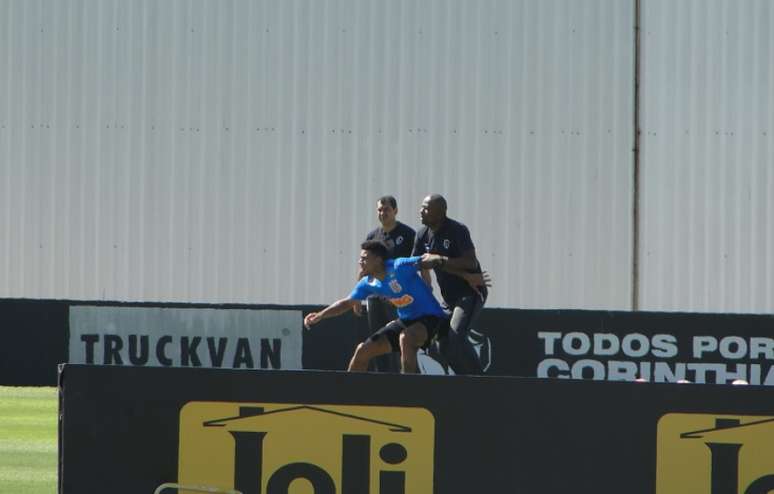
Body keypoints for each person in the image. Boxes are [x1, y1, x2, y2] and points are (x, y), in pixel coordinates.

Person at [305, 240, 453, 373]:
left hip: (432, 319)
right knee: (363, 350)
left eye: (364, 258)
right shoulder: (368, 283)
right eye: (360, 258)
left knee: (405, 338)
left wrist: (441, 260)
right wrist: (320, 315)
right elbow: (347, 303)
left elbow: (424, 260)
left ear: (377, 260)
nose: (360, 262)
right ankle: (347, 397)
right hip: (406, 320)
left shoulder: (398, 267)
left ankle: (408, 393)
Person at [412, 194, 488, 375]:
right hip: (448, 299)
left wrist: (440, 259)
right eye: (421, 207)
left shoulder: (457, 230)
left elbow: (471, 263)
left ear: (441, 212)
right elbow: (416, 263)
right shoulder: (422, 234)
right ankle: (464, 380)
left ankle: (483, 383)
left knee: (456, 335)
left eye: (426, 208)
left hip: (470, 291)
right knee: (442, 343)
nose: (421, 211)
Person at [361, 196, 416, 372]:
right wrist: (357, 297)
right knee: (378, 341)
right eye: (379, 210)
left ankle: (408, 383)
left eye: (386, 209)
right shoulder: (373, 236)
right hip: (376, 297)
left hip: (399, 297)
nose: (382, 213)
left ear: (395, 211)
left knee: (401, 339)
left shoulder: (408, 234)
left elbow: (416, 264)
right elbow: (364, 266)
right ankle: (383, 382)